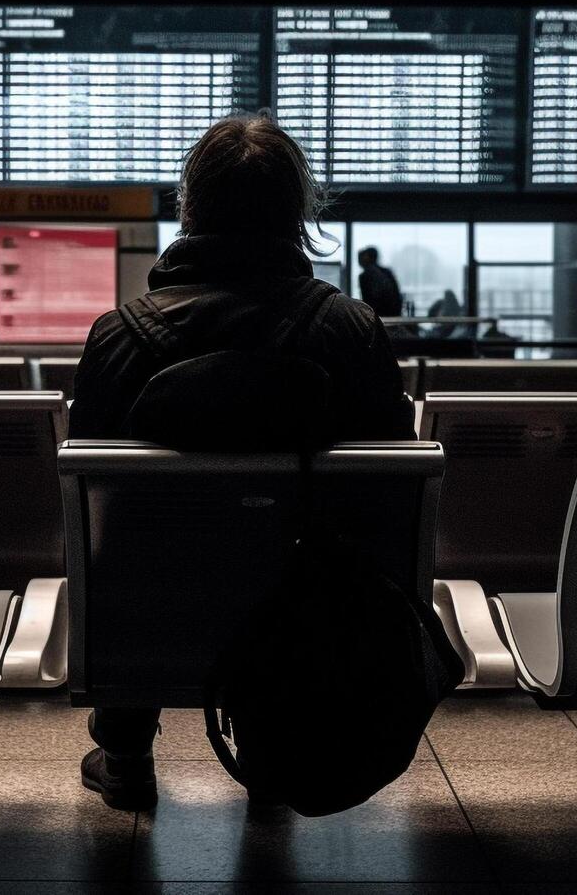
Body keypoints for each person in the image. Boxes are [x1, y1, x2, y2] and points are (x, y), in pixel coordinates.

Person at [68, 114, 415, 811]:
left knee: (136, 543)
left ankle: (126, 747)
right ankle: (273, 740)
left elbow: (89, 496)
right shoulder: (349, 331)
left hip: (151, 615)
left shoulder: (118, 338)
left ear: (190, 207)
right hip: (309, 620)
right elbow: (391, 484)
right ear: (296, 211)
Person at [356, 246, 403, 318]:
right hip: (394, 314)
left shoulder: (365, 275)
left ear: (368, 258)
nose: (359, 260)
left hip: (378, 316)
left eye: (361, 257)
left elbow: (368, 301)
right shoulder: (387, 272)